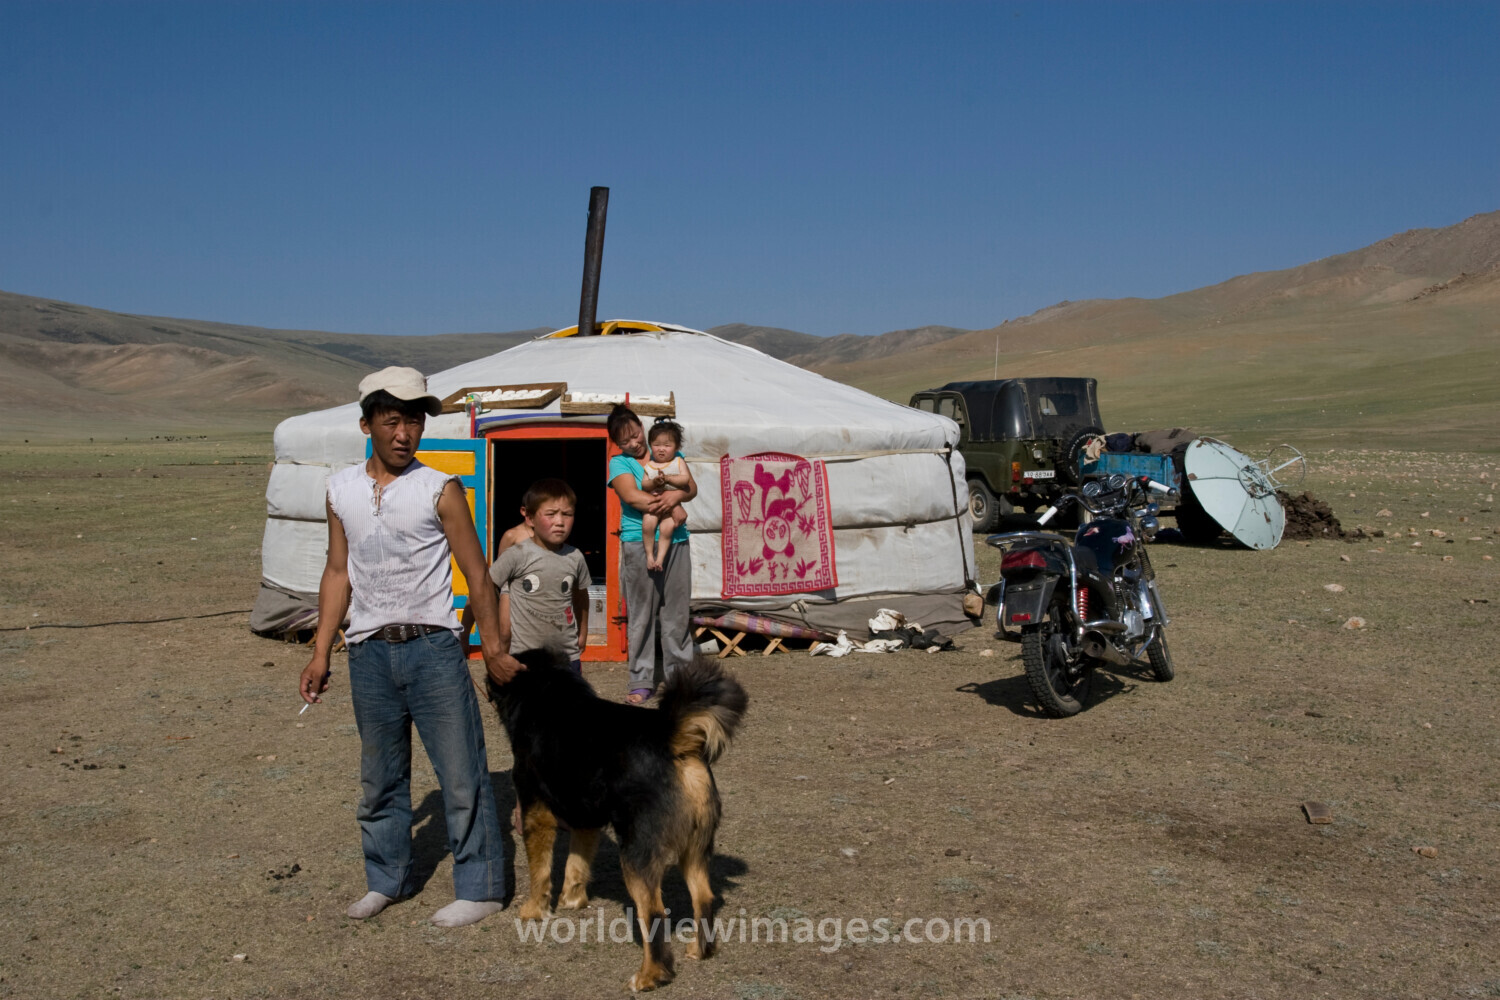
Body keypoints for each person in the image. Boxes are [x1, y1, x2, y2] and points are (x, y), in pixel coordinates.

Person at [298, 366, 521, 928]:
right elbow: (336, 571)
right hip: (369, 652)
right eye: (391, 421)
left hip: (433, 648)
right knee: (380, 778)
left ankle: (482, 887)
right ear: (366, 423)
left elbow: (478, 572)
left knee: (461, 773)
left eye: (414, 422)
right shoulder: (340, 489)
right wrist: (321, 651)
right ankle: (387, 879)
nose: (404, 434)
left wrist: (492, 648)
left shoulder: (438, 488)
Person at [606, 405, 698, 705]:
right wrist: (674, 504)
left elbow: (691, 487)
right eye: (626, 441)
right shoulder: (619, 464)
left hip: (676, 541)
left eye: (636, 434)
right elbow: (633, 497)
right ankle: (642, 679)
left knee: (676, 612)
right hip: (638, 542)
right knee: (642, 614)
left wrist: (677, 496)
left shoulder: (667, 452)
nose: (635, 443)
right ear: (617, 444)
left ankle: (679, 680)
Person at [462, 478, 591, 675]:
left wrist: (583, 631)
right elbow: (482, 589)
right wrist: (464, 634)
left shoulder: (576, 557)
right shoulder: (517, 554)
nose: (560, 522)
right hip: (525, 658)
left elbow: (581, 596)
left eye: (567, 514)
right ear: (529, 518)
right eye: (551, 514)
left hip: (567, 657)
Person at [639, 419, 691, 572]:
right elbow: (644, 484)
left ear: (676, 447)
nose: (661, 449)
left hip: (671, 507)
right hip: (654, 505)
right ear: (650, 445)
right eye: (656, 445)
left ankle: (660, 559)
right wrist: (654, 482)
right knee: (647, 525)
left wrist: (668, 479)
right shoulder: (650, 465)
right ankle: (649, 556)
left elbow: (685, 479)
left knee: (666, 529)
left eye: (667, 446)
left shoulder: (678, 461)